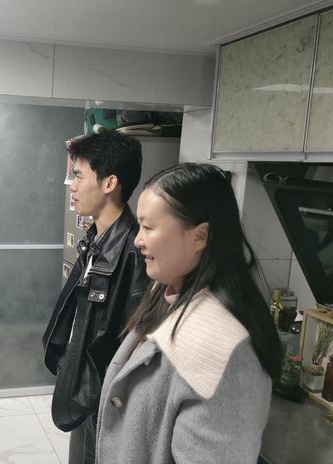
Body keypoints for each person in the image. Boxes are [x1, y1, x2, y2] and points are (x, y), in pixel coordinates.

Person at [96, 163, 282, 464]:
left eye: (148, 227)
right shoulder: (167, 291)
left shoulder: (225, 351)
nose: (137, 240)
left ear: (200, 235)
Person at [42, 131, 148, 464]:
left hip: (105, 396)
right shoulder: (95, 240)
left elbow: (133, 341)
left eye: (78, 176)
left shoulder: (133, 252)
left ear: (109, 183)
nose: (71, 186)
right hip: (86, 389)